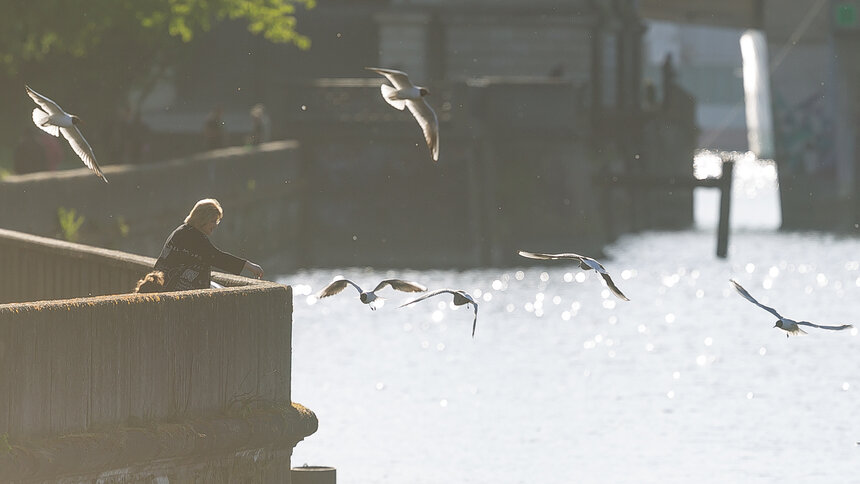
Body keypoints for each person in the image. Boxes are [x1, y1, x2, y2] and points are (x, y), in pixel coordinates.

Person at [154, 199, 264, 291]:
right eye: (213, 221)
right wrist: (249, 266)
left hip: (165, 286)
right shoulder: (194, 237)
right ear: (202, 219)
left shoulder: (182, 231)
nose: (215, 225)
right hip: (177, 290)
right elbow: (216, 257)